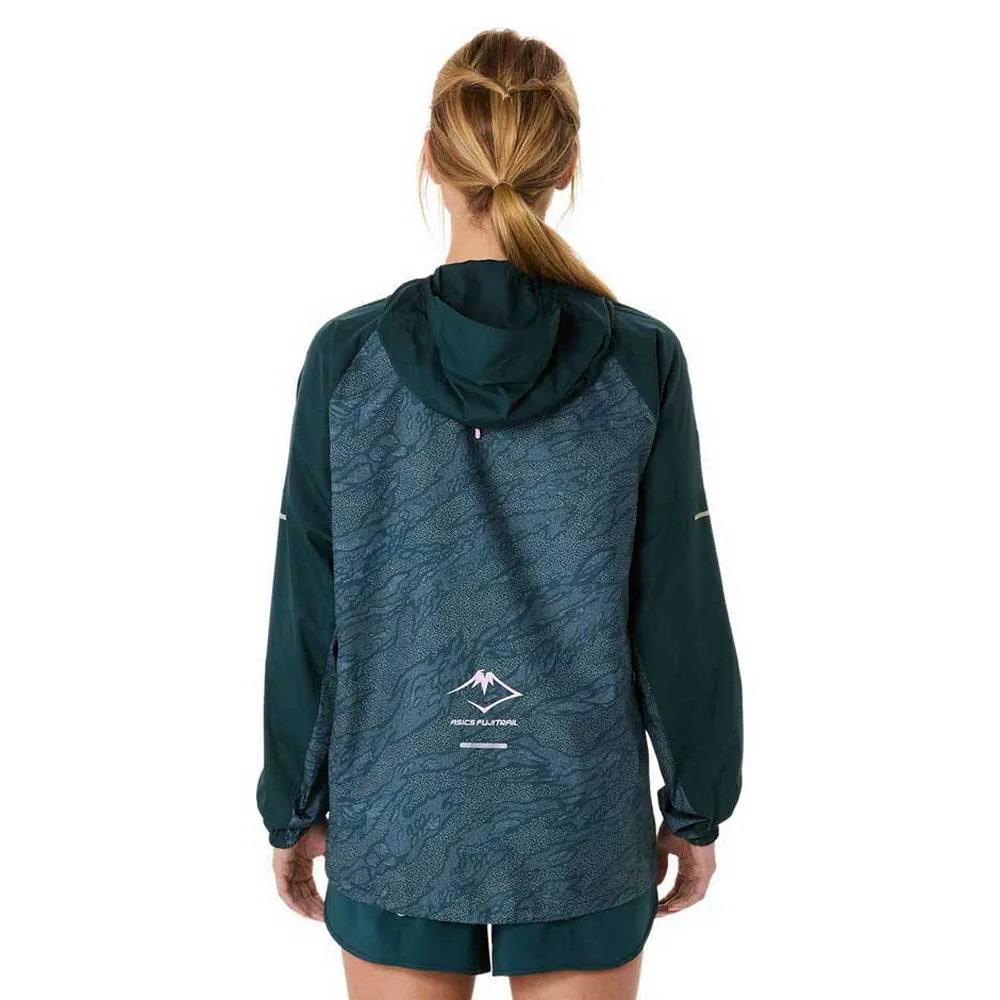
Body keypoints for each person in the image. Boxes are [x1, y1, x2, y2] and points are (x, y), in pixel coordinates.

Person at [256, 27, 743, 1000]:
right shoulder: (638, 360)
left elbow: (312, 603)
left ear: (431, 160)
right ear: (565, 165)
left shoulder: (346, 363)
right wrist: (696, 804)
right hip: (575, 819)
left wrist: (292, 805)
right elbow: (674, 609)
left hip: (400, 812)